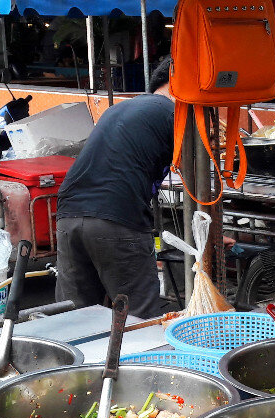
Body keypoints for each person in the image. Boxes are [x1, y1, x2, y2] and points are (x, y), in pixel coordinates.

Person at [55, 56, 173, 319]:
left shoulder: (122, 108)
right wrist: (209, 229)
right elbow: (192, 176)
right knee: (135, 318)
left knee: (77, 318)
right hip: (117, 218)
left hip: (68, 215)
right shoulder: (172, 112)